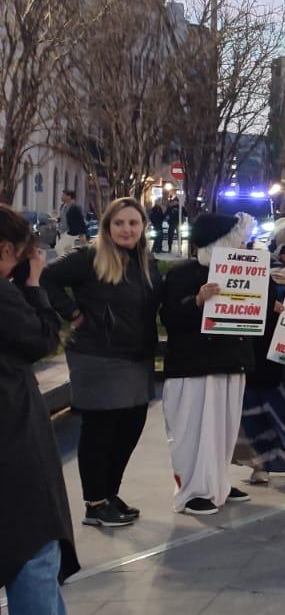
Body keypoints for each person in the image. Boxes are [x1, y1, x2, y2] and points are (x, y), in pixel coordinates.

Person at [0, 204, 111, 615]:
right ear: (8, 251)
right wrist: (32, 284)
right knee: (34, 551)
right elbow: (40, 338)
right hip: (10, 439)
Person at [41, 197, 161, 528]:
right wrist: (71, 312)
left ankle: (109, 493)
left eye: (133, 223)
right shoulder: (89, 257)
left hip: (135, 356)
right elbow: (47, 278)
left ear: (143, 227)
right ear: (107, 226)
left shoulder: (146, 262)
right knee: (101, 430)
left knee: (130, 427)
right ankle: (95, 503)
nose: (126, 229)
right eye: (119, 223)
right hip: (98, 355)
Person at [159, 213, 257, 516]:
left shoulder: (247, 272)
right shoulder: (183, 274)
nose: (243, 247)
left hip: (230, 362)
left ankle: (217, 483)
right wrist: (197, 301)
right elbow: (170, 318)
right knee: (193, 432)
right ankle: (192, 491)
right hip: (194, 367)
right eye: (238, 242)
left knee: (223, 432)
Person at [237, 219, 285, 485]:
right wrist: (269, 307)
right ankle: (260, 464)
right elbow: (245, 302)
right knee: (255, 408)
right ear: (280, 246)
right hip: (258, 350)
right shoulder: (259, 269)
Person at [56, 188, 88, 255]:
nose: (62, 197)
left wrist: (83, 234)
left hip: (70, 233)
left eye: (64, 195)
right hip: (62, 232)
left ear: (69, 197)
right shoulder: (63, 206)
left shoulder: (75, 208)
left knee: (58, 248)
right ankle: (70, 261)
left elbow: (81, 221)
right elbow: (63, 217)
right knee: (68, 251)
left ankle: (63, 261)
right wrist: (57, 220)